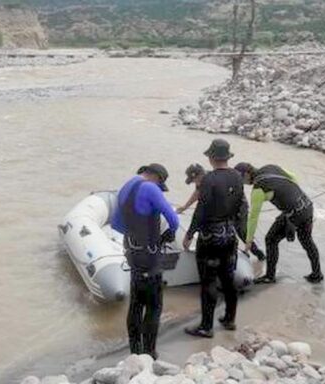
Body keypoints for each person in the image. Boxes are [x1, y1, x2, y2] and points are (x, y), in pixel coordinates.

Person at [112, 163, 179, 359]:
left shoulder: (126, 186)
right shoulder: (150, 188)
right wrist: (167, 234)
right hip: (150, 257)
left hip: (132, 254)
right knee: (154, 305)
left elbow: (116, 224)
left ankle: (134, 350)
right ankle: (149, 352)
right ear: (157, 178)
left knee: (135, 304)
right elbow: (173, 220)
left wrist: (135, 237)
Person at [182, 139, 245, 338]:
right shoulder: (237, 176)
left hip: (210, 237)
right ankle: (229, 319)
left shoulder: (209, 179)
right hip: (229, 234)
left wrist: (190, 233)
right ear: (227, 156)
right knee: (228, 278)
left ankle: (206, 326)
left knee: (208, 280)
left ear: (210, 158)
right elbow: (240, 206)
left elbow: (201, 210)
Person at [234, 162, 324, 284]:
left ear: (246, 175)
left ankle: (269, 276)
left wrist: (248, 242)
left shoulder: (258, 189)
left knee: (270, 239)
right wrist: (291, 200)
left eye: (241, 180)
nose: (243, 184)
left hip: (294, 214)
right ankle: (317, 274)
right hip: (306, 205)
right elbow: (293, 177)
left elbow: (253, 218)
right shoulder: (271, 167)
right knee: (307, 241)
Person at [179, 163, 266, 261]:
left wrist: (189, 235)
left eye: (194, 180)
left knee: (241, 231)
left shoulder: (210, 181)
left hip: (239, 206)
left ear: (200, 175)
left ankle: (258, 253)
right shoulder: (203, 180)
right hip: (225, 206)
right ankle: (232, 252)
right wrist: (184, 207)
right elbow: (197, 193)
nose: (195, 183)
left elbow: (200, 211)